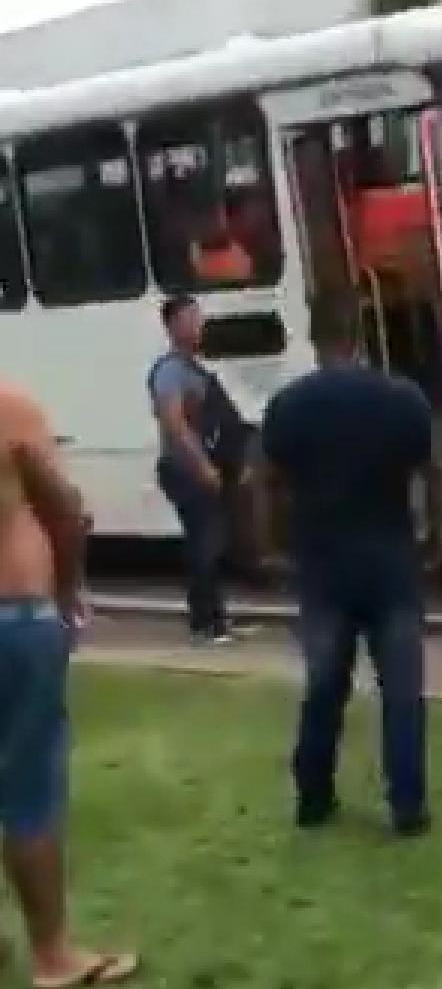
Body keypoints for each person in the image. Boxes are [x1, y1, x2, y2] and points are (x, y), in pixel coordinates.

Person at [261, 294, 432, 836]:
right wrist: (434, 535)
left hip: (325, 563)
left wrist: (270, 547)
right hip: (390, 561)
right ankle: (408, 805)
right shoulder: (403, 399)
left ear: (314, 338)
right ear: (361, 335)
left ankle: (314, 795)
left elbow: (262, 481)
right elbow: (431, 474)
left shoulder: (290, 405)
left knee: (324, 686)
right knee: (402, 693)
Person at [0, 381, 138, 988]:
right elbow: (62, 507)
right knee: (28, 791)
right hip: (12, 616)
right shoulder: (9, 406)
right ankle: (52, 957)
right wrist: (68, 594)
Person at [149, 296, 247, 644]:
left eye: (198, 318)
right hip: (185, 469)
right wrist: (203, 466)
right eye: (191, 318)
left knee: (210, 541)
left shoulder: (193, 369)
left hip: (199, 467)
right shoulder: (170, 371)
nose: (198, 325)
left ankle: (212, 616)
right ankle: (206, 622)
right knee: (203, 543)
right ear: (173, 325)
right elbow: (174, 425)